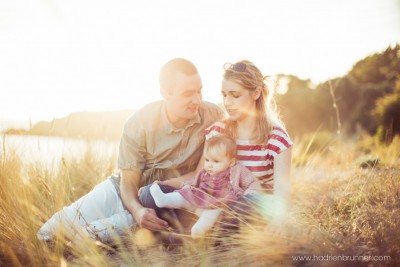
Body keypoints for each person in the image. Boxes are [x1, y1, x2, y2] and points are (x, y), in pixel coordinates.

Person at [37, 58, 225, 243]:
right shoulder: (138, 123)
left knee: (85, 239)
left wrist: (144, 210)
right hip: (120, 192)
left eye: (200, 91)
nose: (197, 100)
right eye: (188, 94)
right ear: (166, 93)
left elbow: (207, 169)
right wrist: (137, 210)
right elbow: (127, 182)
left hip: (158, 205)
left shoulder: (213, 116)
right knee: (48, 232)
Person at [139, 59, 292, 236]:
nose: (227, 102)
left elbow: (282, 191)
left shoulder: (277, 138)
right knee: (150, 194)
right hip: (213, 202)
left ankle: (201, 235)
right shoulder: (216, 131)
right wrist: (162, 184)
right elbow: (199, 175)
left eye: (235, 95)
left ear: (256, 93)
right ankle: (205, 233)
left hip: (249, 207)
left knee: (242, 204)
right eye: (224, 95)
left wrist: (278, 222)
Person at [149, 135, 261, 238]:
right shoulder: (204, 171)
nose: (209, 165)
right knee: (186, 194)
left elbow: (252, 183)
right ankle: (164, 199)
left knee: (212, 213)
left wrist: (248, 196)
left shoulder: (237, 170)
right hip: (200, 197)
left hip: (219, 202)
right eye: (207, 160)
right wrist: (185, 186)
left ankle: (199, 230)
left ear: (231, 162)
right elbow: (194, 181)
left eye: (216, 161)